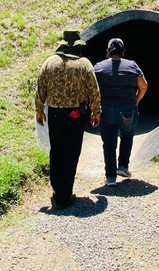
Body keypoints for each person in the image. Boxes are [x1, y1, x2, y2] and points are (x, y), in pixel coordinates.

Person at [35, 30, 101, 210]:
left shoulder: (49, 62)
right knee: (71, 153)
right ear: (78, 46)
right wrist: (96, 112)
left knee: (56, 150)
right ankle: (64, 196)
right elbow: (93, 90)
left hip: (55, 114)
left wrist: (39, 110)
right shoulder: (84, 64)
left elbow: (40, 87)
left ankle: (56, 189)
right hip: (75, 115)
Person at [93, 38, 148, 186]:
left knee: (109, 142)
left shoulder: (98, 67)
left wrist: (94, 108)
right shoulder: (132, 65)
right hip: (128, 109)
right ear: (122, 52)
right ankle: (123, 166)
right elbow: (144, 86)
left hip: (106, 110)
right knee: (127, 136)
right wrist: (136, 101)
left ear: (108, 52)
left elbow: (91, 89)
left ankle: (110, 177)